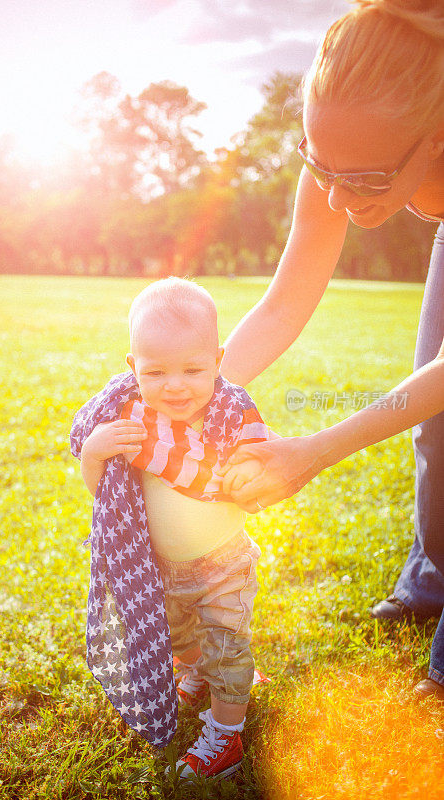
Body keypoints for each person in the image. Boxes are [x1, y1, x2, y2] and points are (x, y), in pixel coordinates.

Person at [218, 0, 444, 700]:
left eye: (368, 180)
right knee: (434, 432)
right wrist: (189, 390)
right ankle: (431, 574)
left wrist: (311, 451)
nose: (339, 199)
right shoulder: (338, 150)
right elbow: (285, 301)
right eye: (321, 167)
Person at [71, 277, 274, 779]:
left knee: (226, 645)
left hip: (223, 563)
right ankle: (194, 671)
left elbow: (258, 459)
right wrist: (95, 450)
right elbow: (106, 498)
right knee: (178, 635)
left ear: (218, 361)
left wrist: (248, 473)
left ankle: (226, 735)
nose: (176, 385)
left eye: (193, 369)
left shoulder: (230, 414)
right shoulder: (131, 421)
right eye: (157, 371)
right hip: (159, 566)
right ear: (132, 367)